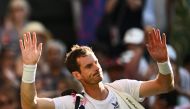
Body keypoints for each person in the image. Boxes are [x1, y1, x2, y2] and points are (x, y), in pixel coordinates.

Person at [20, 28, 174, 109]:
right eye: (88, 66)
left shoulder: (123, 88)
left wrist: (163, 62)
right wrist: (30, 66)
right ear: (77, 75)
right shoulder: (72, 103)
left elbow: (165, 85)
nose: (96, 67)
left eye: (96, 62)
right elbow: (30, 105)